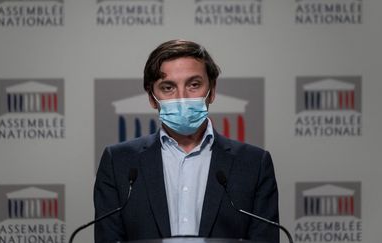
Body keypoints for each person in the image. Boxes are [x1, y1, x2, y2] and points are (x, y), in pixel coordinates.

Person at [94, 39, 279, 242]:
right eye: (167, 87)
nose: (182, 97)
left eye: (194, 85)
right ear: (151, 98)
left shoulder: (254, 164)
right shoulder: (118, 162)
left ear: (212, 91)